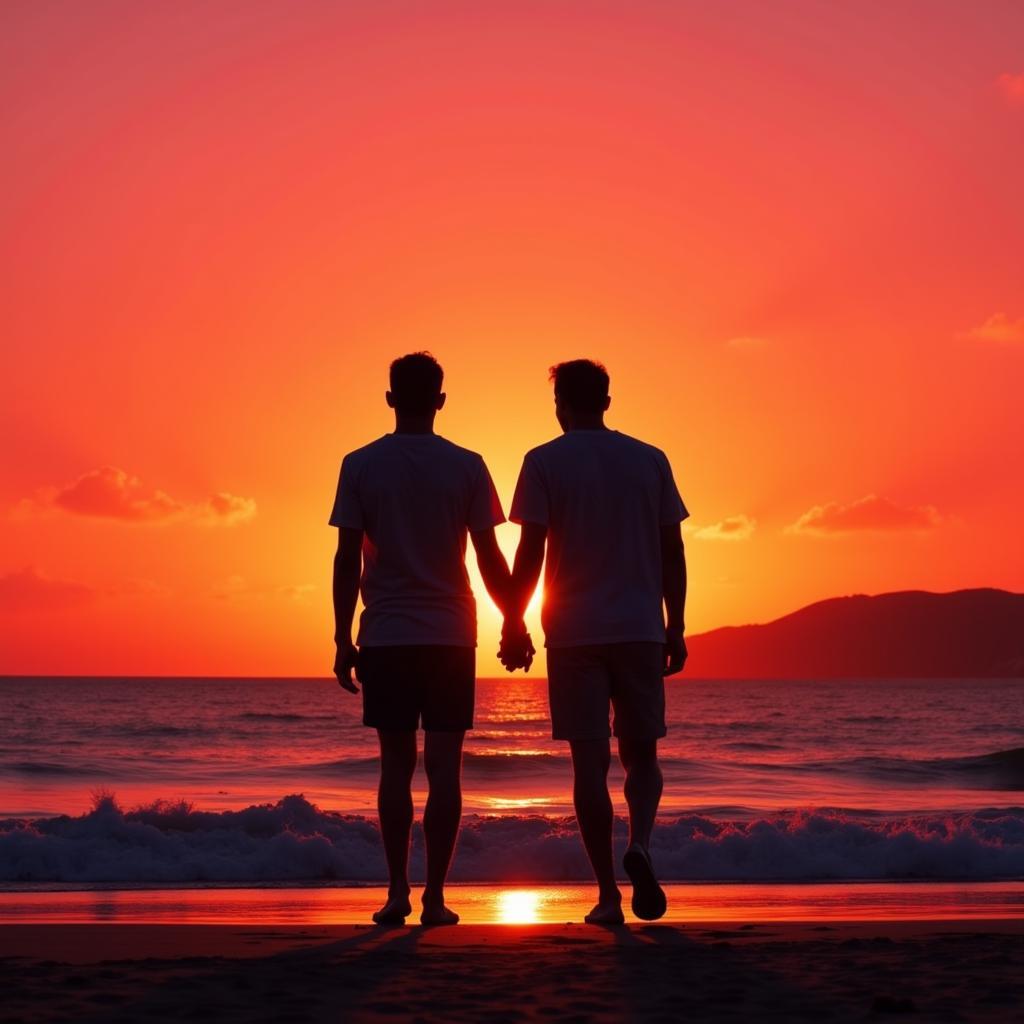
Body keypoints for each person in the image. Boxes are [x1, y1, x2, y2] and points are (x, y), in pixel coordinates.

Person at [331, 352, 524, 925]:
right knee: (445, 769)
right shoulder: (466, 465)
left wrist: (342, 637)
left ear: (390, 398)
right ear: (440, 401)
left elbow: (345, 558)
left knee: (394, 767)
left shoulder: (361, 464)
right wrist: (512, 620)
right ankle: (435, 899)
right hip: (449, 635)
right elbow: (490, 557)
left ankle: (396, 893)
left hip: (387, 633)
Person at [501, 359, 688, 924]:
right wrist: (675, 625)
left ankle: (607, 896)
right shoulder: (649, 460)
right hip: (638, 628)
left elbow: (529, 553)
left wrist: (514, 620)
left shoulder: (543, 462)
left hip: (574, 633)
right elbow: (673, 552)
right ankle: (643, 845)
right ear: (607, 401)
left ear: (560, 404)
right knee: (642, 755)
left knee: (589, 764)